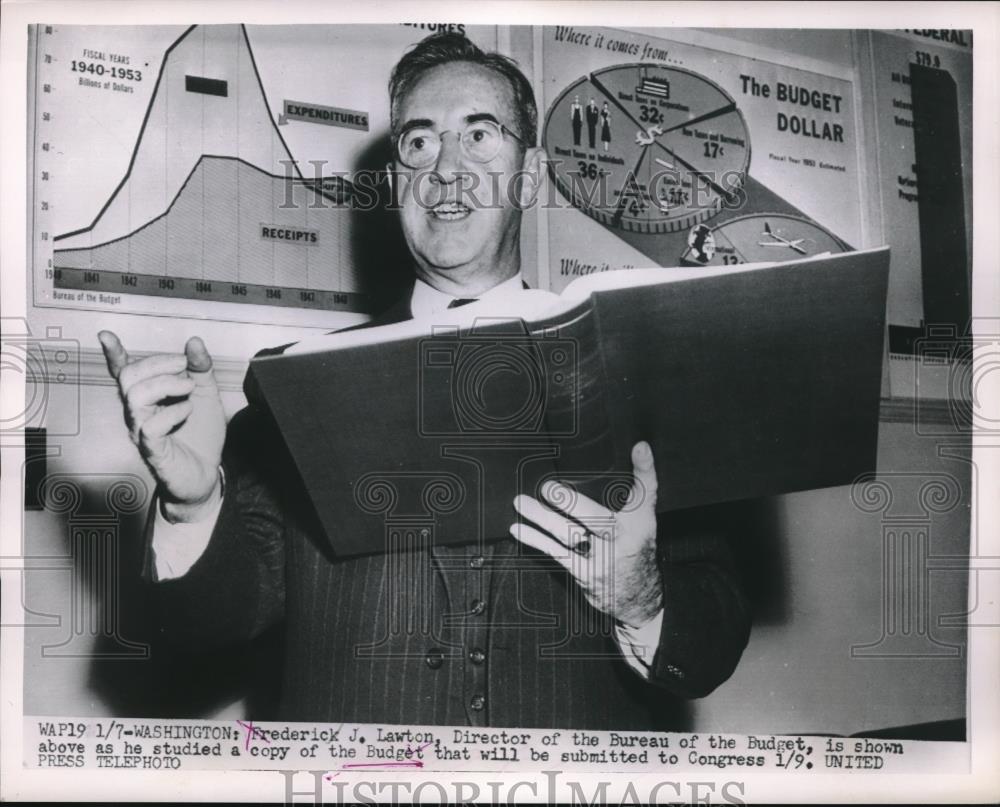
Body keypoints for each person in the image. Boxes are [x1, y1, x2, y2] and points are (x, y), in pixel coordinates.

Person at [98, 32, 749, 729]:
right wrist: (193, 505)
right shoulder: (296, 389)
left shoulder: (635, 373)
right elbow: (207, 626)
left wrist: (641, 597)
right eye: (419, 143)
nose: (446, 170)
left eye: (479, 137)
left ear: (530, 177)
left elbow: (709, 647)